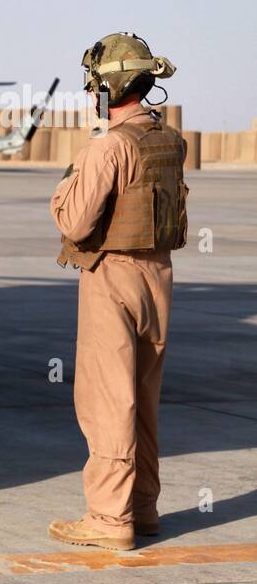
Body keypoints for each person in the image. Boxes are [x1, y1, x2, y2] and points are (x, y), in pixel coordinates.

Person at [48, 32, 182, 551]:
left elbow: (77, 223)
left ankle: (108, 520)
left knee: (108, 400)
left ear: (107, 88)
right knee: (143, 398)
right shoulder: (168, 140)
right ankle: (143, 507)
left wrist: (68, 180)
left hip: (113, 277)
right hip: (158, 275)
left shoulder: (109, 146)